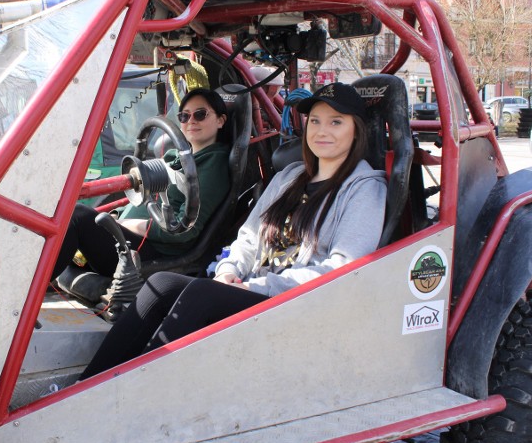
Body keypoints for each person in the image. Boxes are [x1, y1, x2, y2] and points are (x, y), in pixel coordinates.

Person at [81, 82, 387, 379]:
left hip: (298, 302)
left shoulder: (364, 189)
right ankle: (90, 383)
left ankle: (135, 387)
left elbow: (342, 270)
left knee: (201, 294)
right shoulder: (291, 176)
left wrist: (257, 287)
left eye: (336, 122)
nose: (322, 130)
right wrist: (227, 272)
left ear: (356, 129)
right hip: (255, 289)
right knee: (162, 284)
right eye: (315, 121)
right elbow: (250, 236)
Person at [52, 88, 232, 280]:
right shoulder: (178, 158)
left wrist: (127, 224)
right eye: (184, 116)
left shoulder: (213, 165)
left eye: (200, 114)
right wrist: (116, 216)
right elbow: (145, 198)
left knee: (78, 216)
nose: (191, 121)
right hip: (130, 238)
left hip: (149, 253)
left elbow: (185, 231)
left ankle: (29, 293)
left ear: (220, 120)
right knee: (70, 213)